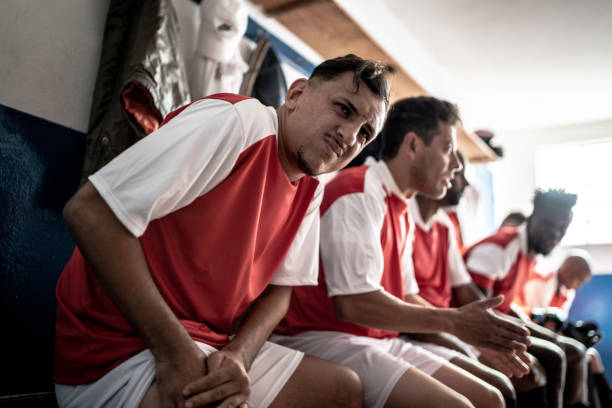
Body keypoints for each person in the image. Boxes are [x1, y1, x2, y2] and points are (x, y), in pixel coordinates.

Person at [54, 54, 391, 408]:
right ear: (296, 95)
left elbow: (281, 291)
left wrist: (239, 355)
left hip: (206, 341)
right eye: (344, 109)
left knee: (344, 390)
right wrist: (173, 353)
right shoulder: (237, 123)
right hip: (121, 346)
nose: (349, 136)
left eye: (365, 133)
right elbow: (90, 213)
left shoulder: (311, 185)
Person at [272, 96, 530, 408]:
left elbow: (406, 296)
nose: (457, 164)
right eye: (447, 149)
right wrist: (454, 322)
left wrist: (469, 334)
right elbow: (355, 306)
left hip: (379, 339)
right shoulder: (357, 192)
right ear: (413, 146)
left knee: (491, 398)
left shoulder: (401, 206)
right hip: (322, 336)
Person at [464, 189, 590, 408]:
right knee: (556, 356)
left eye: (562, 228)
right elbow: (477, 310)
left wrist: (540, 329)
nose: (555, 234)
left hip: (494, 324)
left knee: (573, 350)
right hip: (468, 330)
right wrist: (535, 332)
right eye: (549, 225)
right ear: (532, 218)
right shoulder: (499, 248)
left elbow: (503, 303)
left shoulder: (529, 253)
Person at [520, 250, 611, 408]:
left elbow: (557, 325)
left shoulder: (566, 291)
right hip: (527, 333)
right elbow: (536, 323)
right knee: (578, 353)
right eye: (579, 280)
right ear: (568, 269)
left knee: (590, 355)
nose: (578, 286)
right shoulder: (541, 282)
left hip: (548, 335)